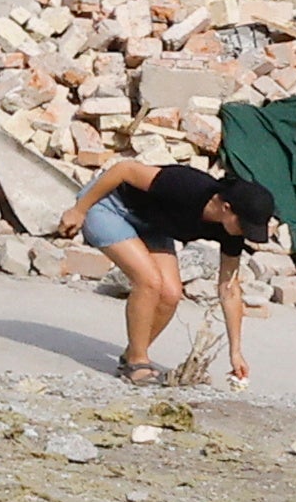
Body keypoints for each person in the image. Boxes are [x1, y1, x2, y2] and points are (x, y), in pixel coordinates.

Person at [72, 152, 277, 387]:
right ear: (226, 208)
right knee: (149, 282)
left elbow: (229, 289)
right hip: (108, 206)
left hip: (153, 225)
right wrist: (79, 210)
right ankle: (137, 363)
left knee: (170, 293)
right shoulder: (187, 186)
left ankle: (132, 355)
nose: (245, 233)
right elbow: (125, 169)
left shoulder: (230, 231)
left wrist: (235, 351)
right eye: (245, 225)